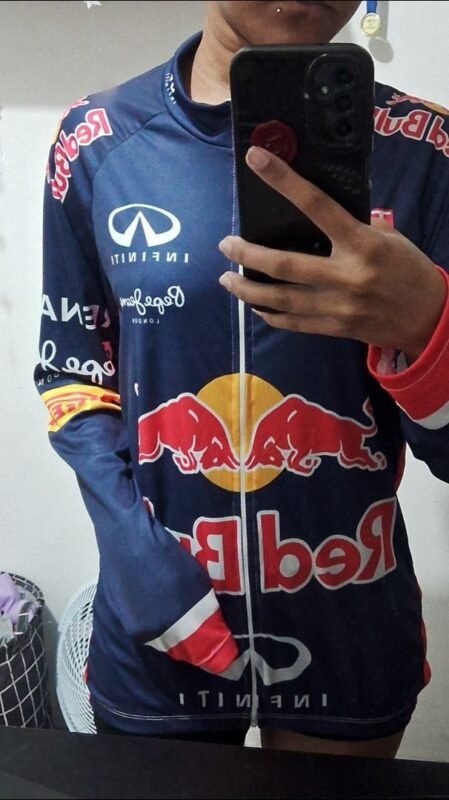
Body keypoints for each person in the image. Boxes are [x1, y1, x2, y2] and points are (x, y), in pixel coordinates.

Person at [35, 0, 449, 758]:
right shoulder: (97, 140)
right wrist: (134, 555)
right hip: (160, 630)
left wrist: (430, 329)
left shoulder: (427, 150)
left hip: (351, 623)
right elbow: (73, 373)